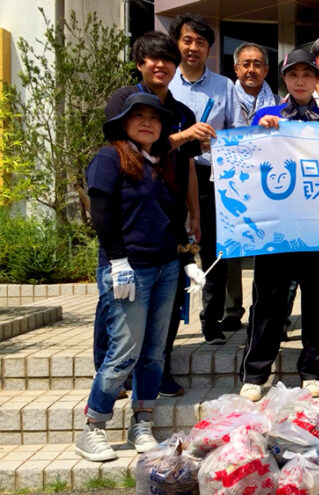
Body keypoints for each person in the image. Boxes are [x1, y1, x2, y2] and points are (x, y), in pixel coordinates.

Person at [77, 93, 206, 461]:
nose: (148, 122)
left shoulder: (162, 161)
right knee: (123, 353)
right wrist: (117, 261)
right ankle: (94, 428)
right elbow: (101, 212)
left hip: (166, 268)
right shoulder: (109, 157)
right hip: (128, 269)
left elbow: (170, 213)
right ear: (123, 122)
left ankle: (143, 422)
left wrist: (187, 258)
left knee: (153, 354)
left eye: (155, 117)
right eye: (139, 116)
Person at [101, 31, 205, 398]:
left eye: (167, 59)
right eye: (152, 59)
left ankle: (158, 370)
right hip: (129, 219)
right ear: (139, 63)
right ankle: (109, 374)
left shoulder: (182, 113)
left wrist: (195, 215)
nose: (160, 65)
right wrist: (180, 136)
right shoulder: (122, 100)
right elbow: (125, 146)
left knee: (168, 299)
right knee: (117, 300)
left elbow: (190, 168)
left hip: (169, 215)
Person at [240, 49, 319, 401]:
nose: (300, 80)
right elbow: (243, 159)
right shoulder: (266, 115)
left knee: (318, 303)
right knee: (268, 304)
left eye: (307, 74)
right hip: (276, 229)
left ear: (317, 80)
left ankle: (313, 371)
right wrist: (258, 131)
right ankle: (255, 374)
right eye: (293, 74)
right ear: (284, 79)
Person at [168, 13, 248, 346]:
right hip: (170, 173)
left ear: (209, 49)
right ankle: (168, 322)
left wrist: (213, 141)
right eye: (188, 40)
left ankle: (211, 320)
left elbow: (237, 134)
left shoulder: (224, 86)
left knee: (215, 248)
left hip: (212, 173)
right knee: (175, 247)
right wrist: (185, 137)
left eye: (201, 42)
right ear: (177, 44)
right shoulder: (165, 83)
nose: (194, 47)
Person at [225, 42, 280, 336]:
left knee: (267, 247)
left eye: (257, 64)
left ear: (266, 70)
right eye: (245, 64)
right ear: (236, 68)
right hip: (230, 181)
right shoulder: (225, 97)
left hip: (266, 182)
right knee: (232, 247)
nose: (251, 70)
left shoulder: (279, 102)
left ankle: (270, 314)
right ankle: (232, 310)